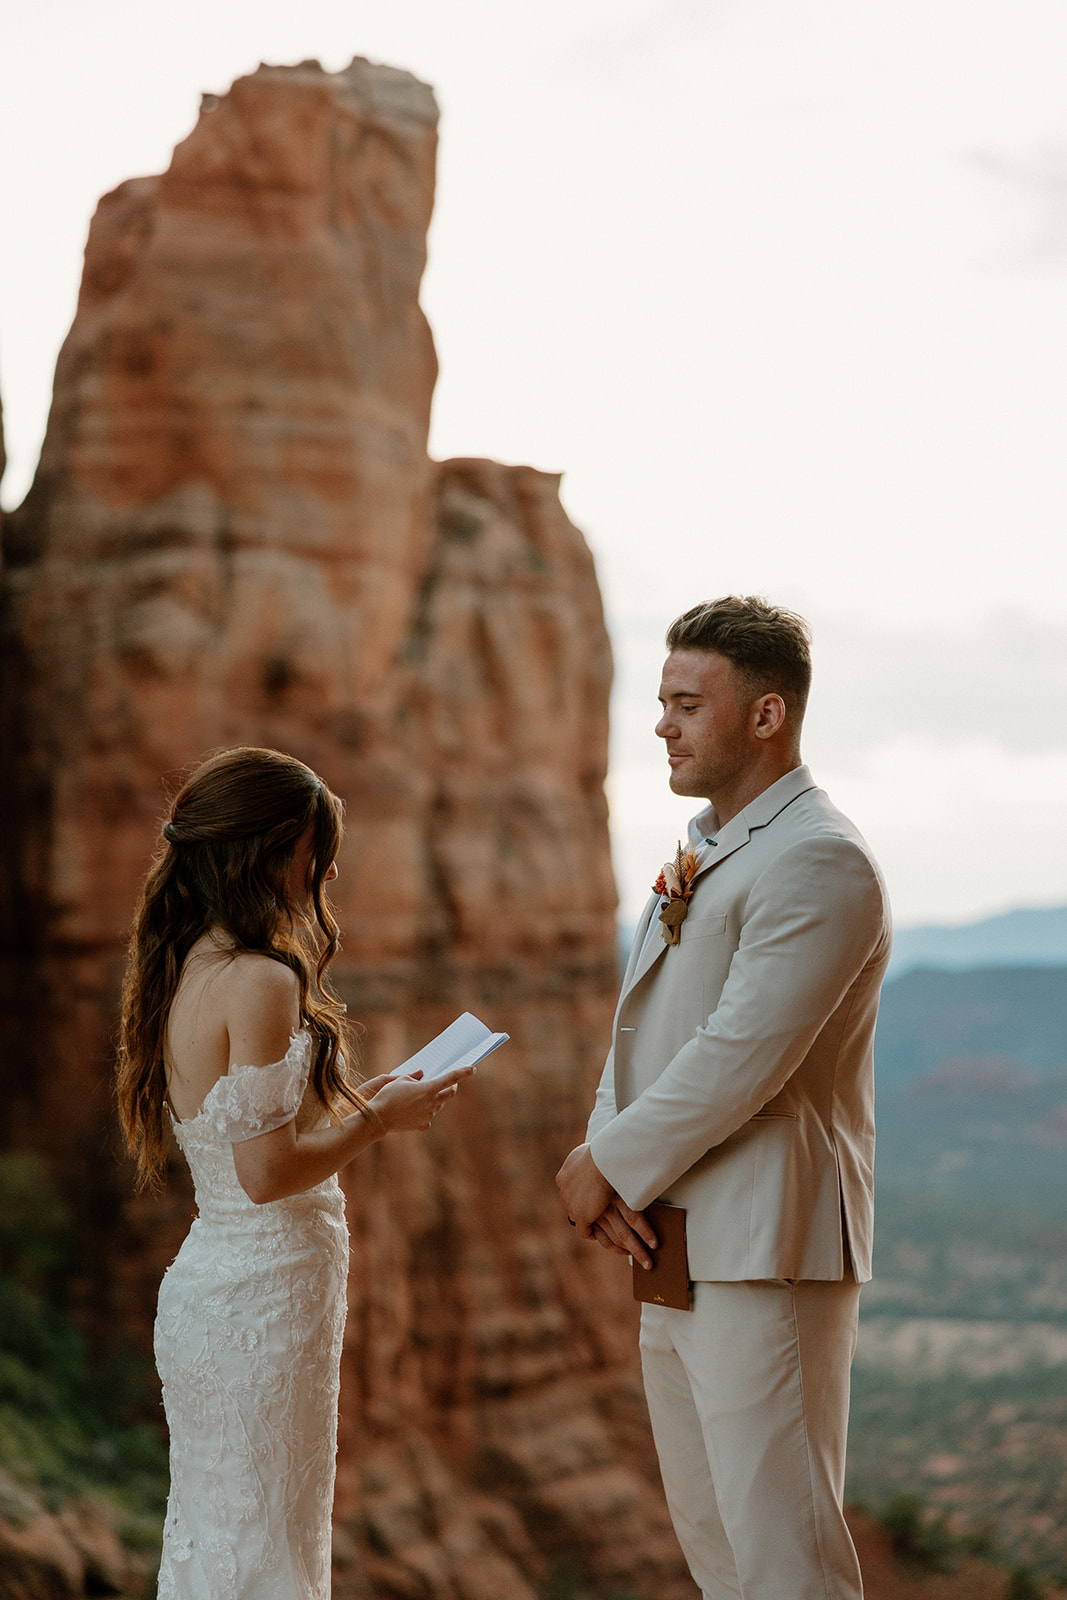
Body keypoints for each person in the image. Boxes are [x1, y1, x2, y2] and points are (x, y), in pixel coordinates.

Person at [556, 597, 891, 1600]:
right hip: (675, 1238)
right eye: (661, 701)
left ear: (764, 715)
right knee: (717, 1556)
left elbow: (739, 1054)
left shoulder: (818, 858)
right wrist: (604, 1155)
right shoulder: (702, 844)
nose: (661, 723)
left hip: (767, 1247)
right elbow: (638, 1030)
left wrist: (601, 1165)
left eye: (686, 703)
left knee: (784, 1559)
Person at [116, 746, 473, 1600]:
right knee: (267, 1537)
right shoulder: (263, 979)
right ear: (270, 849)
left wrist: (361, 1105)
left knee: (226, 1531)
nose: (330, 868)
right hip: (265, 1295)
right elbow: (268, 1174)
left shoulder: (186, 962)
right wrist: (378, 1123)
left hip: (215, 1287)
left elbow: (249, 1140)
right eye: (318, 848)